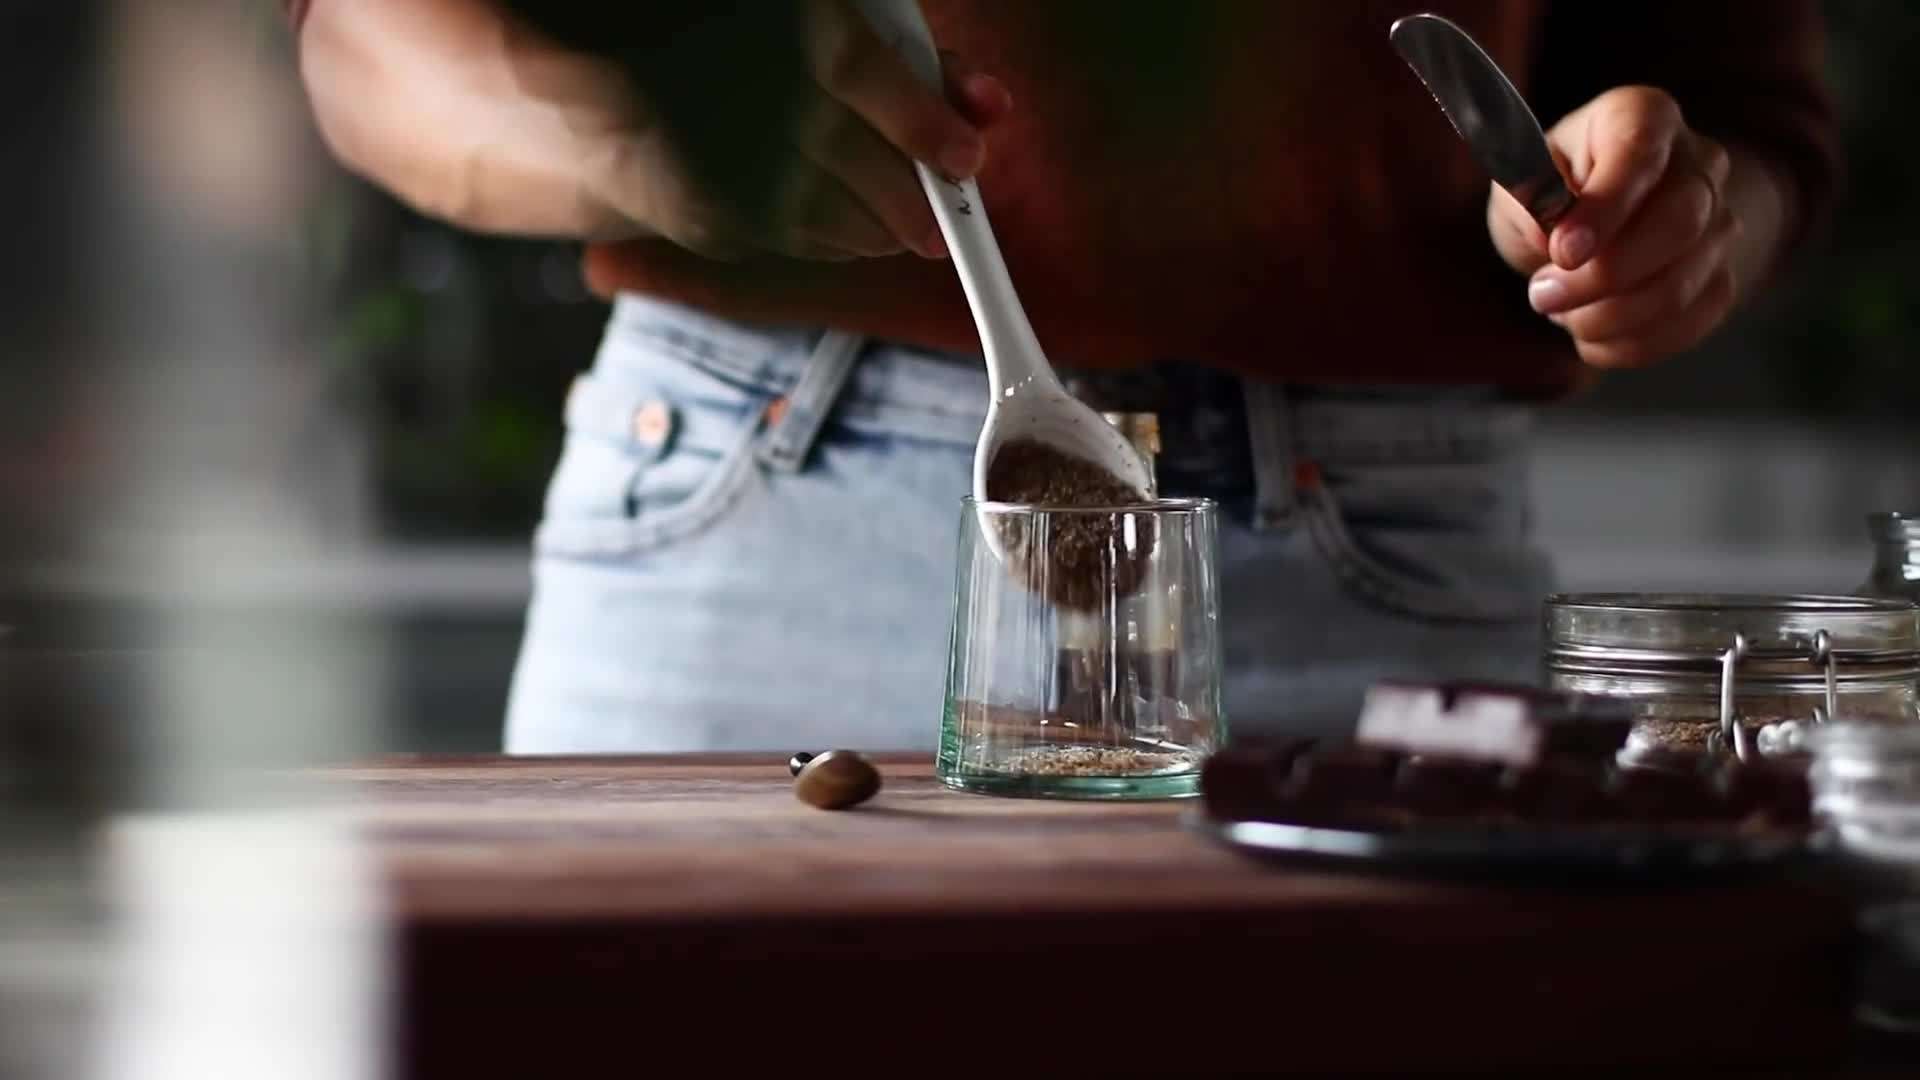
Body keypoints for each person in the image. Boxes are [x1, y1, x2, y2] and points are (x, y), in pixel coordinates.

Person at [284, 1, 1839, 753]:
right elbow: (372, 35)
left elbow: (1751, 110)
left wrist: (1662, 214)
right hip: (755, 532)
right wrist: (639, 140)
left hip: (1384, 581)